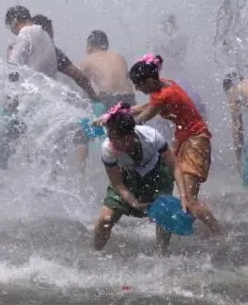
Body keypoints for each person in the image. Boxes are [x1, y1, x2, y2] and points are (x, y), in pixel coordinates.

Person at [129, 54, 223, 236]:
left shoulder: (164, 94)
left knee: (189, 200)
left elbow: (144, 117)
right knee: (171, 194)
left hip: (195, 142)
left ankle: (220, 235)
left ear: (149, 81)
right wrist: (127, 111)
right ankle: (178, 232)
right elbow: (149, 106)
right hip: (185, 140)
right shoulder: (164, 83)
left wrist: (122, 123)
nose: (137, 88)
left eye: (139, 85)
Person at [92, 103, 183, 254]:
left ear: (130, 135)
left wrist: (185, 197)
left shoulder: (151, 137)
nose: (113, 143)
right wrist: (134, 202)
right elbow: (117, 183)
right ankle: (95, 253)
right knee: (105, 220)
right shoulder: (108, 149)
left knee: (164, 214)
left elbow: (174, 166)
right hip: (127, 175)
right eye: (111, 137)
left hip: (157, 172)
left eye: (118, 139)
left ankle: (162, 255)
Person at [31, 15, 98, 101]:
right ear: (47, 31)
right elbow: (77, 75)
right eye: (51, 32)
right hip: (42, 97)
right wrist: (94, 96)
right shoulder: (53, 52)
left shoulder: (22, 48)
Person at [4, 6, 57, 77]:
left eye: (9, 27)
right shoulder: (44, 34)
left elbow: (14, 64)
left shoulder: (25, 32)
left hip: (33, 82)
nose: (12, 31)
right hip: (48, 82)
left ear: (15, 22)